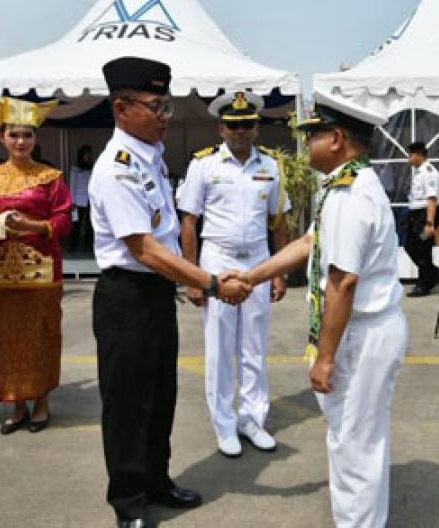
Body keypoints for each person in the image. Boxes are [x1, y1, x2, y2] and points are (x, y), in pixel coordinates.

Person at [87, 56, 252, 528]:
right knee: (127, 403)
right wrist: (212, 283)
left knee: (161, 397)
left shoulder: (150, 158)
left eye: (167, 106)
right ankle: (129, 502)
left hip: (157, 297)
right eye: (156, 106)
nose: (164, 116)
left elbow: (167, 236)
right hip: (127, 297)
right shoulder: (116, 168)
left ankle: (156, 480)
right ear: (122, 108)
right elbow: (143, 249)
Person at [242, 94, 407, 527]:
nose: (306, 145)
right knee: (356, 440)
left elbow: (343, 282)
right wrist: (251, 277)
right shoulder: (345, 186)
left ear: (336, 139)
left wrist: (327, 358)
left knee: (354, 445)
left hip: (360, 334)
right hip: (360, 330)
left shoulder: (350, 196)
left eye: (311, 136)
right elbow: (308, 243)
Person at [177, 91, 290, 458]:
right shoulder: (204, 166)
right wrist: (194, 277)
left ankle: (253, 419)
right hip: (217, 260)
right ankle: (224, 424)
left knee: (254, 346)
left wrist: (279, 272)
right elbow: (189, 223)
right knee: (221, 348)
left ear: (257, 128)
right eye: (233, 125)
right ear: (221, 128)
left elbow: (278, 222)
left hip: (257, 261)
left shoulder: (271, 166)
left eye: (247, 125)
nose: (240, 131)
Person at [0, 89, 71, 434]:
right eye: (13, 134)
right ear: (1, 137)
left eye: (26, 134)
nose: (20, 140)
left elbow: (63, 220)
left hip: (42, 271)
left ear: (35, 138)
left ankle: (42, 402)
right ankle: (16, 404)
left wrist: (30, 225)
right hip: (2, 271)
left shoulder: (50, 177)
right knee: (6, 337)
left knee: (43, 335)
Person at [404, 141, 439, 296]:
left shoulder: (429, 172)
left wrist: (429, 223)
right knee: (410, 245)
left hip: (425, 216)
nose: (409, 158)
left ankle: (424, 284)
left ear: (419, 155)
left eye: (411, 155)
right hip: (416, 216)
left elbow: (431, 199)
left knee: (422, 249)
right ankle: (433, 273)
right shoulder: (420, 172)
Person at [69, 144, 95, 252]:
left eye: (90, 154)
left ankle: (88, 245)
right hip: (78, 201)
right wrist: (72, 201)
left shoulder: (93, 167)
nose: (88, 156)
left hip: (91, 199)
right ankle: (73, 245)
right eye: (86, 154)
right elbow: (72, 185)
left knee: (90, 224)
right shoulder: (75, 168)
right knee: (76, 224)